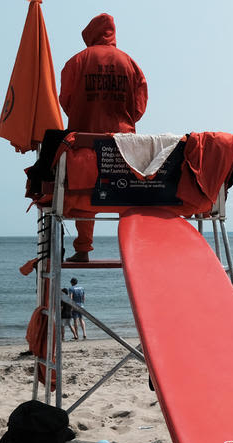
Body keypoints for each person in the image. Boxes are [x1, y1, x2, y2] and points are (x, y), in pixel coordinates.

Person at [60, 13, 149, 263]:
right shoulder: (129, 63)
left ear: (90, 33)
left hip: (84, 142)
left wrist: (82, 114)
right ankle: (133, 252)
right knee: (126, 197)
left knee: (81, 192)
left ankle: (83, 249)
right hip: (123, 144)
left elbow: (65, 99)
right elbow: (140, 105)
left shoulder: (77, 61)